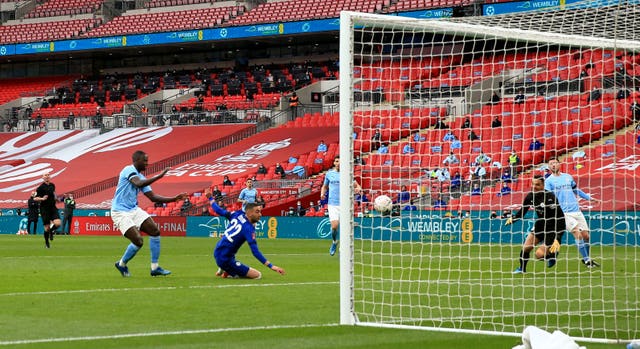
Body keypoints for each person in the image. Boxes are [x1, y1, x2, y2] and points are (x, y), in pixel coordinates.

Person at [112, 150, 188, 277]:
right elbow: (138, 183)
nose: (147, 163)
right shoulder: (128, 170)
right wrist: (160, 176)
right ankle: (121, 264)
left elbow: (153, 197)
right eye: (145, 161)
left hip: (133, 209)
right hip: (120, 211)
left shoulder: (142, 177)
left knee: (155, 231)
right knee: (138, 241)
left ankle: (155, 267)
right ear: (137, 161)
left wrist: (174, 199)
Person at [205, 190, 285, 279]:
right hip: (225, 259)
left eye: (260, 211)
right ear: (250, 213)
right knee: (257, 275)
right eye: (257, 212)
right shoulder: (248, 229)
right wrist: (272, 266)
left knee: (231, 254)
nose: (260, 214)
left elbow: (219, 211)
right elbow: (255, 252)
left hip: (218, 251)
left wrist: (210, 198)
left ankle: (226, 269)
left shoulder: (237, 214)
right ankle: (229, 271)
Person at [545, 157, 600, 268]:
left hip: (576, 210)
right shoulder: (548, 181)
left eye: (555, 163)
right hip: (563, 213)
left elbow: (576, 190)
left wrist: (589, 198)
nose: (553, 165)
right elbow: (547, 196)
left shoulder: (568, 177)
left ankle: (586, 259)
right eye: (551, 164)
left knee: (586, 236)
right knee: (577, 234)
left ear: (559, 164)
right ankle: (587, 261)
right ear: (549, 167)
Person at [506, 175, 565, 273]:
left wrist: (558, 237)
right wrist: (513, 219)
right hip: (540, 225)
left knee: (539, 255)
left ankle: (552, 255)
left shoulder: (550, 197)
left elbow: (560, 218)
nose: (534, 186)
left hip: (552, 227)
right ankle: (522, 269)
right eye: (533, 184)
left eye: (537, 184)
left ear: (543, 185)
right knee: (526, 248)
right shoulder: (530, 196)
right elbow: (522, 211)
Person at [320, 155, 361, 256]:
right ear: (334, 163)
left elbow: (357, 186)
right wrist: (322, 193)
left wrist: (358, 189)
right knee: (334, 226)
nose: (338, 163)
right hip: (332, 204)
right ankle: (334, 242)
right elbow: (324, 187)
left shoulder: (348, 173)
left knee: (345, 229)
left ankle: (343, 250)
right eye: (337, 161)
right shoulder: (329, 174)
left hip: (345, 204)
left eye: (340, 161)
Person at [34, 173, 61, 248]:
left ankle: (51, 231)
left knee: (58, 223)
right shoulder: (40, 188)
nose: (47, 176)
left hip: (52, 207)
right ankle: (46, 242)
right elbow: (35, 198)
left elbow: (53, 193)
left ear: (50, 176)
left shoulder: (52, 185)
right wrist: (42, 199)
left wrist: (56, 198)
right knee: (47, 228)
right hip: (44, 209)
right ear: (42, 177)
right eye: (45, 175)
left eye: (48, 175)